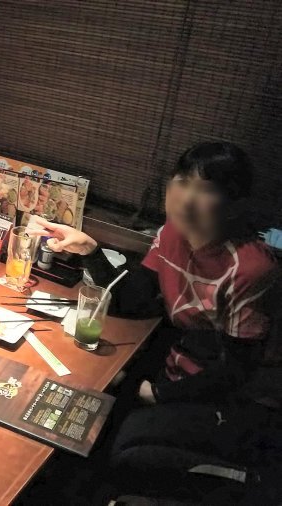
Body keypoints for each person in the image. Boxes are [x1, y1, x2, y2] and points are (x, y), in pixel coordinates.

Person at [36, 142, 280, 493]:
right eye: (182, 181)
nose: (186, 198)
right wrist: (89, 250)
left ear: (234, 205)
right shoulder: (171, 235)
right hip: (175, 368)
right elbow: (134, 299)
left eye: (206, 189)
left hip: (234, 399)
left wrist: (155, 393)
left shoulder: (251, 268)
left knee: (123, 447)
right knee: (82, 414)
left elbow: (237, 372)